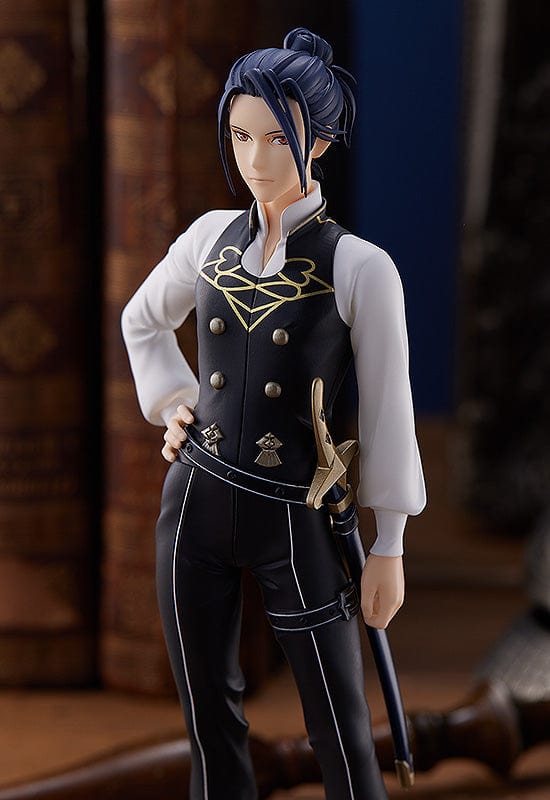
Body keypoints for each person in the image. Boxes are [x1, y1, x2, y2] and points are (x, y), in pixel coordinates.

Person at [122, 27, 426, 800]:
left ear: (318, 141)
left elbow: (389, 409)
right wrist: (176, 403)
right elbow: (142, 320)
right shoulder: (207, 238)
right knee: (209, 721)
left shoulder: (360, 267)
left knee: (340, 727)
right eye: (240, 136)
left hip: (297, 512)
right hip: (195, 501)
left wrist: (388, 542)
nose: (255, 160)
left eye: (277, 139)